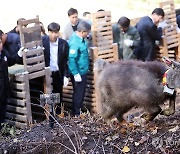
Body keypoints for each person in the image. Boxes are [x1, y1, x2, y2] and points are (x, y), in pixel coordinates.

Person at [42, 22, 69, 113]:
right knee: (47, 94)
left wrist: (66, 75)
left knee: (58, 94)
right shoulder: (43, 41)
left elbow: (65, 60)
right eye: (52, 32)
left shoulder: (63, 43)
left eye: (56, 32)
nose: (54, 35)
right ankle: (48, 115)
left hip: (58, 72)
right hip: (46, 73)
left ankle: (57, 114)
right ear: (48, 32)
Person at [68, 20, 91, 117]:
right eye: (87, 32)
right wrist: (75, 73)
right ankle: (76, 113)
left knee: (80, 93)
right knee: (79, 94)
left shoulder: (80, 38)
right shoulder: (75, 42)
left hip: (83, 70)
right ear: (82, 32)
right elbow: (71, 59)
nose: (88, 34)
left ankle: (77, 110)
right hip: (79, 72)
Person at [0, 33, 11, 128]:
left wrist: (19, 54)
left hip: (4, 91)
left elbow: (11, 61)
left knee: (3, 113)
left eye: (0, 42)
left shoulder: (3, 55)